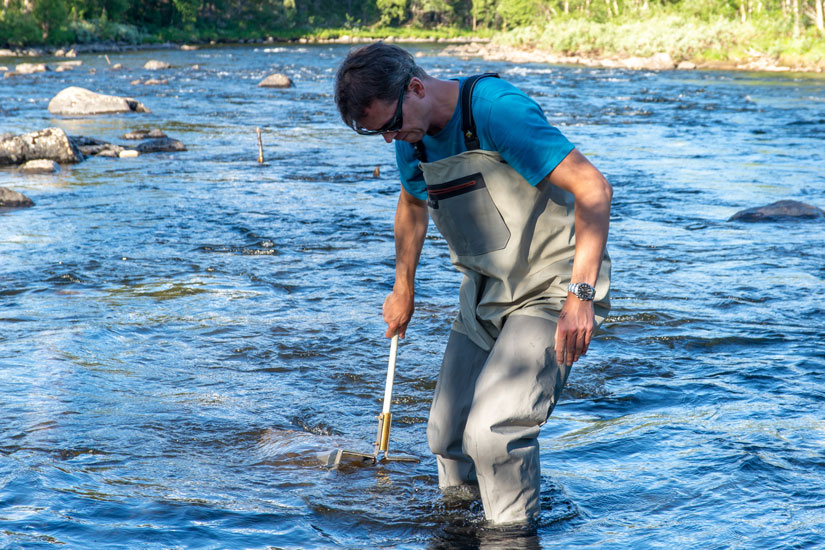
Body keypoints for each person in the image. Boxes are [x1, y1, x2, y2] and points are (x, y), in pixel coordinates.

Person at [334, 42, 612, 527]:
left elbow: (593, 186)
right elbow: (413, 203)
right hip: (484, 294)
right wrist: (404, 287)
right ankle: (463, 529)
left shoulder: (496, 111)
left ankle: (510, 535)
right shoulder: (411, 134)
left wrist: (581, 296)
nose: (390, 140)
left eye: (390, 126)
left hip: (551, 287)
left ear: (415, 87)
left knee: (494, 433)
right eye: (378, 133)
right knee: (447, 437)